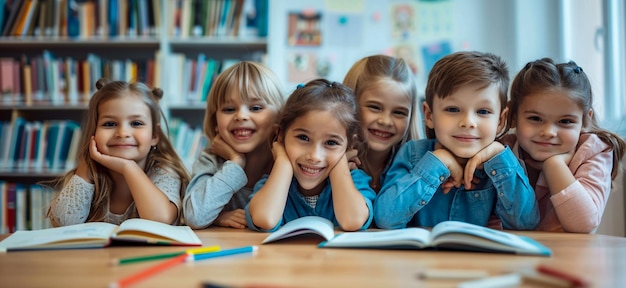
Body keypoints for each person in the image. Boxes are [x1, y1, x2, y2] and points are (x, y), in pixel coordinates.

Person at [374, 51, 539, 230]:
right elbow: (386, 218)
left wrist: (498, 156)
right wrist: (438, 162)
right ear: (429, 115)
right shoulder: (413, 154)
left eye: (483, 111)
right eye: (453, 109)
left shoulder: (503, 162)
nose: (468, 122)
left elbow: (525, 222)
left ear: (500, 120)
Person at [502, 58, 626, 233]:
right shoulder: (502, 151)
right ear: (513, 116)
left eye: (565, 121)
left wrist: (554, 166)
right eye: (535, 118)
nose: (548, 132)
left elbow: (583, 224)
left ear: (585, 119)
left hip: (568, 256)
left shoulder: (594, 151)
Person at [47, 79, 190, 226]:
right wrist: (87, 164)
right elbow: (63, 222)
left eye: (136, 123)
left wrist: (128, 168)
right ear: (93, 133)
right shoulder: (89, 174)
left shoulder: (164, 171)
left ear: (154, 135)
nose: (122, 133)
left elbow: (161, 219)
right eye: (110, 124)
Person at [245, 79, 376, 232]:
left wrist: (339, 165)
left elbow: (352, 221)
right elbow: (265, 219)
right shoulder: (272, 183)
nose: (315, 156)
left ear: (350, 145)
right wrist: (283, 161)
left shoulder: (354, 181)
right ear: (280, 135)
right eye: (303, 138)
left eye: (331, 143)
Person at [183, 61, 285, 229]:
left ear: (280, 117)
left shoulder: (284, 161)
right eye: (229, 109)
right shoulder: (211, 161)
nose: (241, 116)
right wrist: (235, 162)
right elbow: (195, 216)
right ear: (215, 121)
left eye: (256, 108)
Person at [342, 55, 421, 192]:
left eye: (399, 113)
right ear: (350, 105)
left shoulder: (420, 166)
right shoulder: (325, 162)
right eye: (375, 107)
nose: (385, 121)